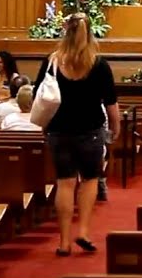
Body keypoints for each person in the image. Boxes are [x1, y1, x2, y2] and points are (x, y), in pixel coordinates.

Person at [34, 13, 121, 257]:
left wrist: (44, 126)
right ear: (90, 32)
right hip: (90, 131)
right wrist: (116, 126)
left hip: (59, 130)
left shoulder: (52, 61)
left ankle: (63, 241)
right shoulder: (99, 64)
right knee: (90, 180)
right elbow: (111, 102)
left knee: (65, 182)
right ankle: (82, 230)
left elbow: (38, 97)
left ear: (66, 32)